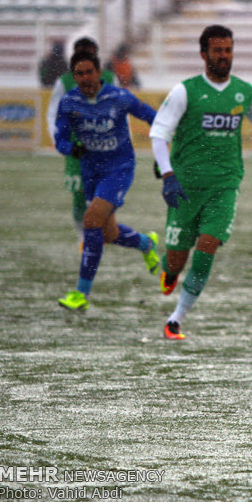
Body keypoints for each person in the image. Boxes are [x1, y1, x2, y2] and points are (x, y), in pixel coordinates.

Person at [149, 25, 252, 340]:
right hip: (185, 187)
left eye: (228, 50)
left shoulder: (245, 92)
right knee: (176, 258)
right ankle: (170, 271)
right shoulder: (186, 91)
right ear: (204, 54)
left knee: (207, 246)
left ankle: (176, 319)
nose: (224, 56)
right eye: (217, 51)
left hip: (224, 185)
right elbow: (159, 133)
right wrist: (168, 174)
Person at [52, 50, 160, 310]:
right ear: (73, 76)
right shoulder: (69, 103)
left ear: (99, 73)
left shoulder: (118, 97)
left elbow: (153, 117)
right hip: (91, 171)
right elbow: (60, 139)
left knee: (90, 220)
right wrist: (71, 149)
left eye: (90, 72)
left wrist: (163, 153)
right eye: (79, 73)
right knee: (107, 233)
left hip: (118, 168)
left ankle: (80, 295)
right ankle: (146, 244)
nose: (85, 77)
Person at [46, 37, 116, 242]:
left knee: (105, 193)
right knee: (80, 194)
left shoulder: (110, 79)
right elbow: (53, 112)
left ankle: (104, 231)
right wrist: (58, 139)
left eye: (89, 52)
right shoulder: (65, 82)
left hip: (105, 146)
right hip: (79, 146)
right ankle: (82, 235)